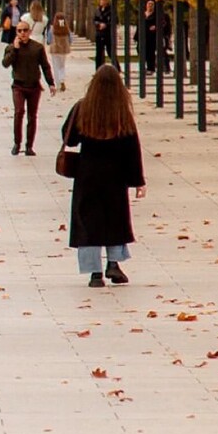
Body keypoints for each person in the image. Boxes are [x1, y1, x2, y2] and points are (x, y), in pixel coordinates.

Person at [62, 63, 146, 287]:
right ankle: (114, 263)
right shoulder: (121, 112)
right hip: (115, 175)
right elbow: (132, 147)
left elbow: (69, 139)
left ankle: (94, 273)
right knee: (115, 219)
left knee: (88, 221)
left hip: (88, 173)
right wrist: (138, 181)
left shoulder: (83, 108)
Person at [2, 17, 55, 156]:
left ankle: (29, 146)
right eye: (19, 31)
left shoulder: (37, 48)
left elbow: (45, 66)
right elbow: (5, 63)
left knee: (32, 116)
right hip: (18, 86)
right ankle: (17, 143)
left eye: (25, 30)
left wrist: (51, 83)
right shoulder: (11, 47)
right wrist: (15, 49)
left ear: (30, 31)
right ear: (16, 32)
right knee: (19, 112)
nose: (23, 33)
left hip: (33, 87)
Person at [47, 11, 72, 93]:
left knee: (55, 67)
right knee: (62, 66)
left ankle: (58, 84)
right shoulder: (66, 28)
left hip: (55, 49)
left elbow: (49, 40)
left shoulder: (52, 28)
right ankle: (62, 80)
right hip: (63, 50)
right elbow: (70, 39)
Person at [93, 0, 115, 68]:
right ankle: (98, 69)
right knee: (99, 52)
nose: (102, 2)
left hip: (107, 34)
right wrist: (98, 24)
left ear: (107, 1)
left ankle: (116, 67)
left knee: (110, 52)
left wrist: (106, 25)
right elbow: (94, 20)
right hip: (99, 33)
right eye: (101, 0)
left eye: (103, 0)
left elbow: (114, 21)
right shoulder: (97, 10)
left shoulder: (111, 10)